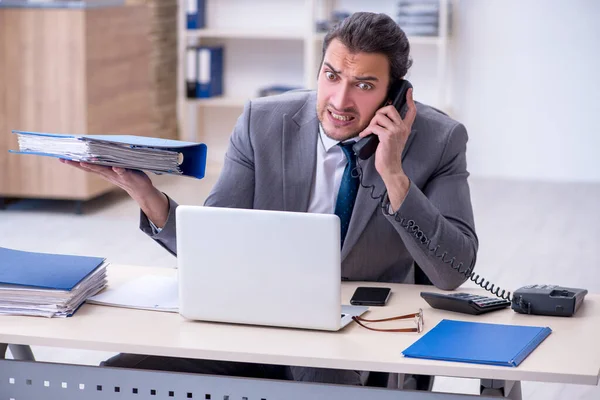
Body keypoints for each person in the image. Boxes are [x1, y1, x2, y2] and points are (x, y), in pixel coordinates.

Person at [62, 12, 478, 390]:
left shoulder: (439, 140)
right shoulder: (262, 121)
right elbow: (214, 244)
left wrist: (393, 175)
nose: (340, 101)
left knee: (316, 378)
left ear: (395, 95)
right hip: (257, 323)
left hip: (358, 341)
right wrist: (146, 194)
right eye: (331, 76)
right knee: (121, 376)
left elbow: (451, 272)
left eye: (364, 85)